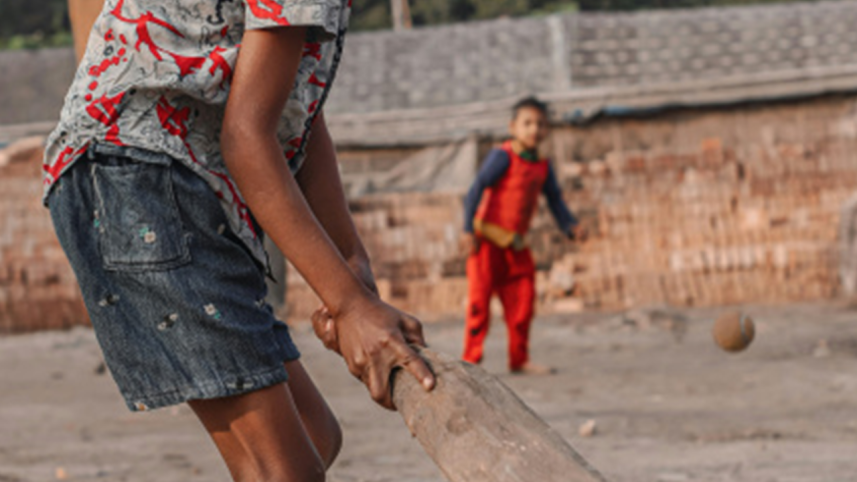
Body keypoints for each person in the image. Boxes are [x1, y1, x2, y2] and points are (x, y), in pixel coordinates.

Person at [42, 1, 435, 480]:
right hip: (136, 175)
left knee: (315, 436)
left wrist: (351, 268)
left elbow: (297, 114)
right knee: (282, 470)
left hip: (157, 175)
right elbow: (247, 137)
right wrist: (349, 306)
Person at [462, 96, 586, 375]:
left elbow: (555, 201)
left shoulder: (542, 166)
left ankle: (519, 359)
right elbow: (475, 189)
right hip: (487, 244)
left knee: (524, 301)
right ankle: (470, 361)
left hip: (516, 245)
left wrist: (570, 226)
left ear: (547, 130)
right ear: (513, 126)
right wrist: (468, 229)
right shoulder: (502, 156)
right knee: (479, 304)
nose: (534, 129)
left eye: (541, 124)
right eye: (527, 123)